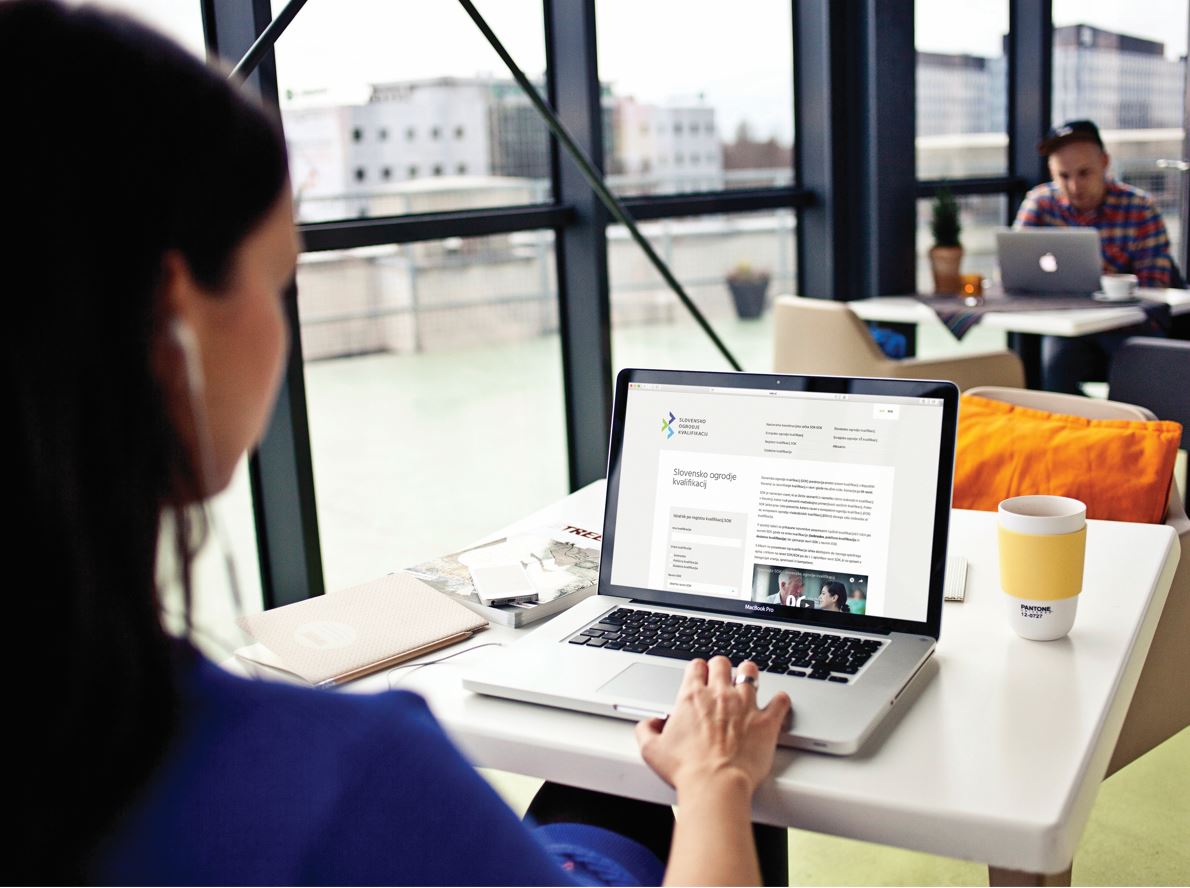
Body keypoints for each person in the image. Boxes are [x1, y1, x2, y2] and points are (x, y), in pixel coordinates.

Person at [6, 2, 792, 884]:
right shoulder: (348, 782)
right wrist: (718, 780)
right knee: (703, 746)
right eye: (280, 280)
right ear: (173, 319)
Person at [1013, 119, 1174, 394]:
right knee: (1055, 365)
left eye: (1084, 173)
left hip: (1128, 324)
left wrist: (1110, 285)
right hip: (1069, 325)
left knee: (1137, 368)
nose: (1075, 186)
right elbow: (1014, 269)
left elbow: (1155, 284)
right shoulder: (1039, 203)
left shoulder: (1139, 207)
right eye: (1064, 176)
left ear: (1105, 163)